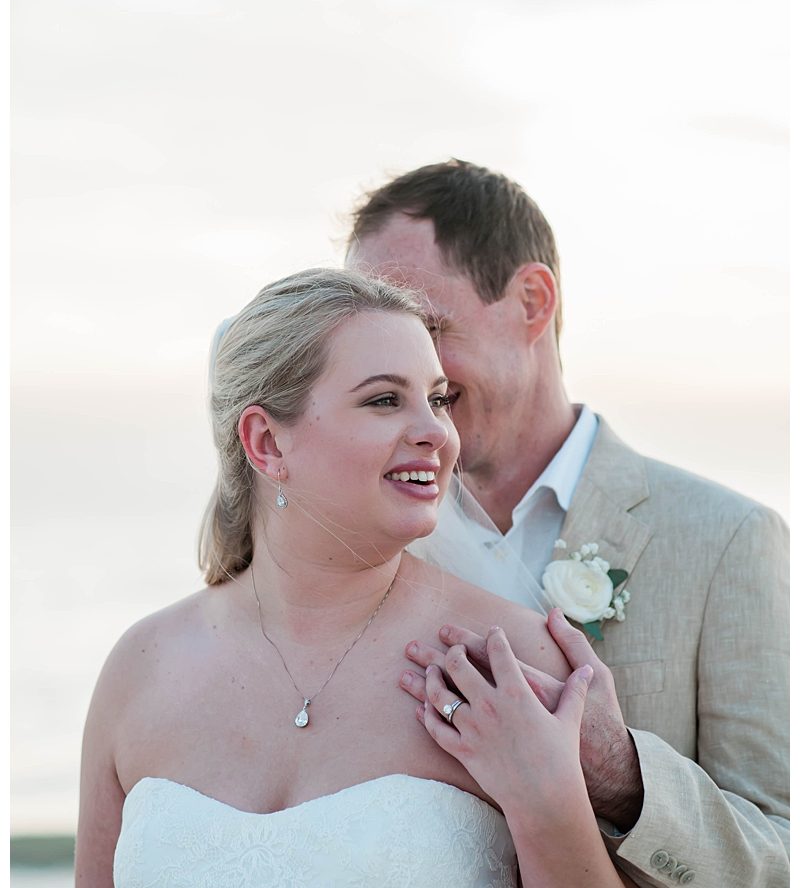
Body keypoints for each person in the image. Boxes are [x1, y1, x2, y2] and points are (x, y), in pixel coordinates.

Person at [75, 268, 640, 887]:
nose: (437, 434)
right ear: (266, 443)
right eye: (384, 400)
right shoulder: (141, 668)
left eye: (438, 399)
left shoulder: (504, 665)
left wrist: (548, 799)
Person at [346, 160, 790, 888]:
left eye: (426, 326)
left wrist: (619, 770)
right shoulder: (362, 541)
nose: (405, 368)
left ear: (530, 300)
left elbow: (776, 861)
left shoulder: (727, 540)